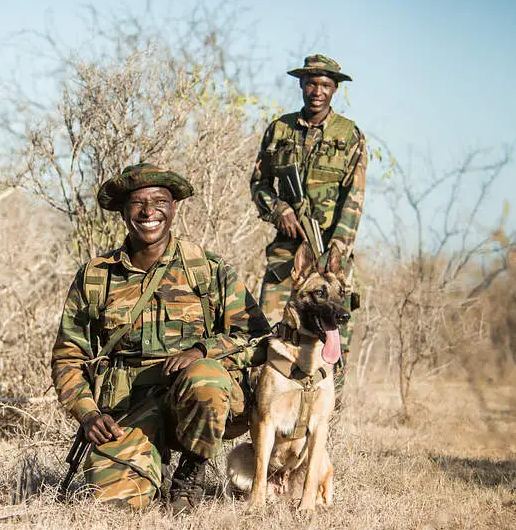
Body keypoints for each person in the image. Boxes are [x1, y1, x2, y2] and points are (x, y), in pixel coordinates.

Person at [51, 163, 270, 512]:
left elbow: (258, 337)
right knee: (111, 505)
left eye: (159, 201)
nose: (149, 211)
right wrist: (89, 415)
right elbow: (68, 357)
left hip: (197, 401)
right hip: (129, 410)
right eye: (138, 203)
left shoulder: (207, 270)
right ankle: (151, 464)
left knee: (206, 377)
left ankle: (191, 472)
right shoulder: (96, 276)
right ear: (124, 212)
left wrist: (203, 350)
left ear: (174, 207)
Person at [250, 54, 367, 376]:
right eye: (312, 83)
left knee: (336, 324)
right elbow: (259, 184)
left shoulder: (350, 135)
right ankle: (265, 401)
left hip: (332, 248)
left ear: (335, 89)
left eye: (326, 85)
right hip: (287, 248)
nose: (318, 90)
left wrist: (338, 250)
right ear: (302, 85)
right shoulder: (279, 129)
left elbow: (354, 199)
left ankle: (329, 406)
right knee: (268, 323)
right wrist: (279, 210)